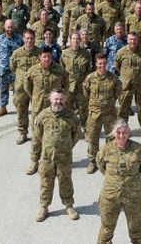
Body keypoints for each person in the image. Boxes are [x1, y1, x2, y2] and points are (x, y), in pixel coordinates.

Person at [30, 89, 82, 222]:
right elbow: (37, 137)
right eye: (56, 99)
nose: (58, 102)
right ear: (50, 100)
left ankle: (69, 206)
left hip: (64, 157)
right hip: (47, 158)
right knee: (46, 183)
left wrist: (67, 147)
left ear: (64, 100)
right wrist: (35, 157)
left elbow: (76, 135)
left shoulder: (71, 117)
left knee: (65, 181)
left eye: (61, 99)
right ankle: (44, 207)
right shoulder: (43, 116)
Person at [96, 120, 141, 244]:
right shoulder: (105, 150)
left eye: (124, 132)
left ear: (128, 133)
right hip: (111, 195)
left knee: (135, 225)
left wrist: (130, 179)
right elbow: (101, 166)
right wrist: (115, 181)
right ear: (114, 133)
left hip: (133, 194)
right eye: (118, 132)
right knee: (107, 226)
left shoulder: (138, 149)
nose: (121, 135)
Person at [83, 54, 123, 174]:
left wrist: (108, 103)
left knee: (110, 137)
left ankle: (108, 160)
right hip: (94, 113)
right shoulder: (90, 78)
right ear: (96, 64)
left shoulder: (113, 78)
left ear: (107, 63)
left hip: (109, 113)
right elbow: (86, 94)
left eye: (104, 63)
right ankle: (93, 160)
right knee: (93, 137)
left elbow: (118, 92)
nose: (102, 66)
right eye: (100, 63)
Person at [114, 32, 141, 132]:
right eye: (130, 39)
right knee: (123, 108)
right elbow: (117, 66)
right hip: (126, 85)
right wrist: (126, 75)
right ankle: (123, 129)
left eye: (134, 39)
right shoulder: (121, 52)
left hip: (140, 84)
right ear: (127, 40)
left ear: (138, 40)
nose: (132, 41)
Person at [10, 30, 41, 144]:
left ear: (34, 39)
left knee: (36, 111)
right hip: (21, 88)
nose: (29, 41)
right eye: (27, 38)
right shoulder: (17, 53)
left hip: (35, 88)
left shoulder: (39, 53)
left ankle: (37, 135)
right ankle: (23, 133)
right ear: (23, 39)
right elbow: (12, 67)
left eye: (31, 38)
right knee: (21, 110)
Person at [0, 20, 23, 117]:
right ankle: (3, 107)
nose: (10, 29)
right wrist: (3, 61)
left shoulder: (19, 39)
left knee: (17, 91)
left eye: (11, 27)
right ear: (4, 27)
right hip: (3, 70)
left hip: (16, 70)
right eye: (8, 27)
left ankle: (19, 109)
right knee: (3, 90)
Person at [60, 32, 92, 127]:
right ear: (70, 40)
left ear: (80, 40)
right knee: (68, 107)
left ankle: (85, 127)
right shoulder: (65, 53)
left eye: (77, 39)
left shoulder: (86, 54)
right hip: (69, 84)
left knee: (83, 107)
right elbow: (62, 69)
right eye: (74, 39)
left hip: (82, 84)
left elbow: (89, 70)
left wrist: (87, 83)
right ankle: (70, 127)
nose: (76, 41)